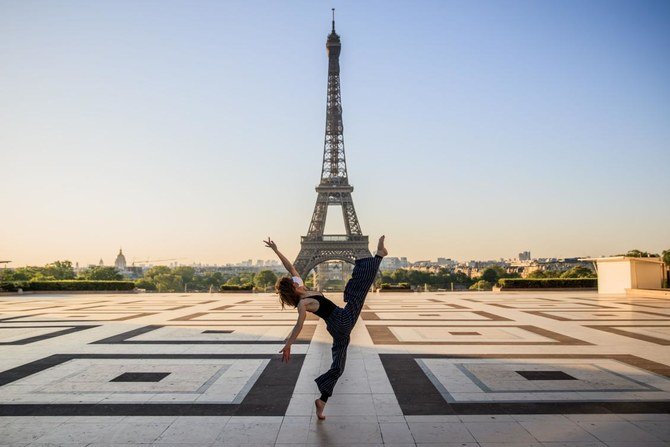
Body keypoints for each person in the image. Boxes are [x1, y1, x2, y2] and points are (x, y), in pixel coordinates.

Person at [264, 235, 387, 420]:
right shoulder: (303, 303)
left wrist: (275, 250)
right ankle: (378, 256)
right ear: (293, 290)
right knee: (356, 294)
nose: (296, 281)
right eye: (293, 283)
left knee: (338, 366)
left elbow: (290, 267)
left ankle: (321, 401)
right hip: (341, 320)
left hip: (337, 325)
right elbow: (299, 325)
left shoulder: (302, 288)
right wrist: (289, 344)